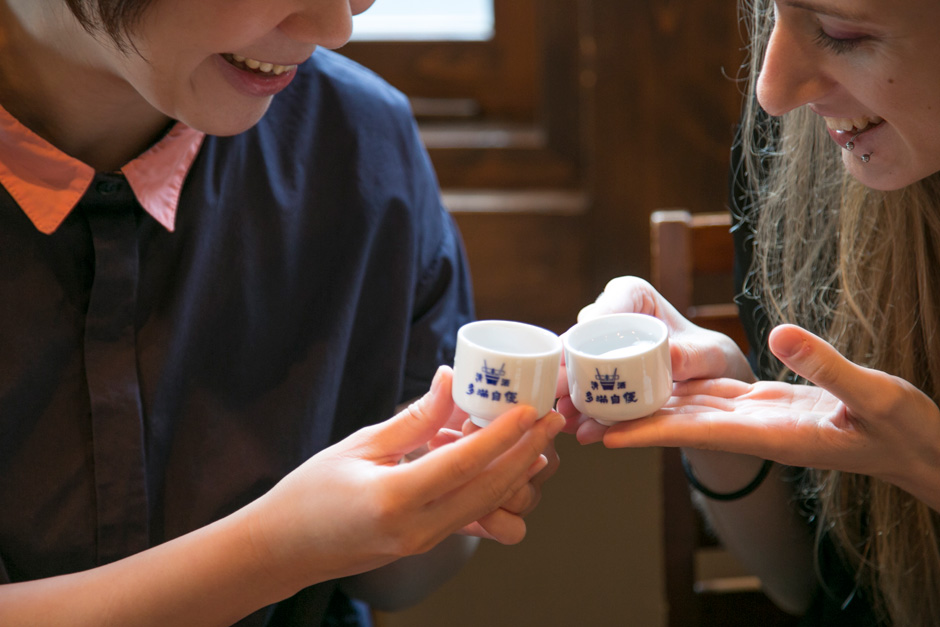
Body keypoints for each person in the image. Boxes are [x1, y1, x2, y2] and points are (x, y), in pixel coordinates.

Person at [0, 1, 565, 625]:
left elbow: (389, 580)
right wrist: (276, 551)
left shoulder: (360, 143)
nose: (336, 29)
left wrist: (452, 495)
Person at [558, 0, 940, 625]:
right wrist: (723, 405)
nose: (771, 91)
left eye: (842, 32)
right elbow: (804, 589)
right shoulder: (792, 157)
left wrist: (927, 466)